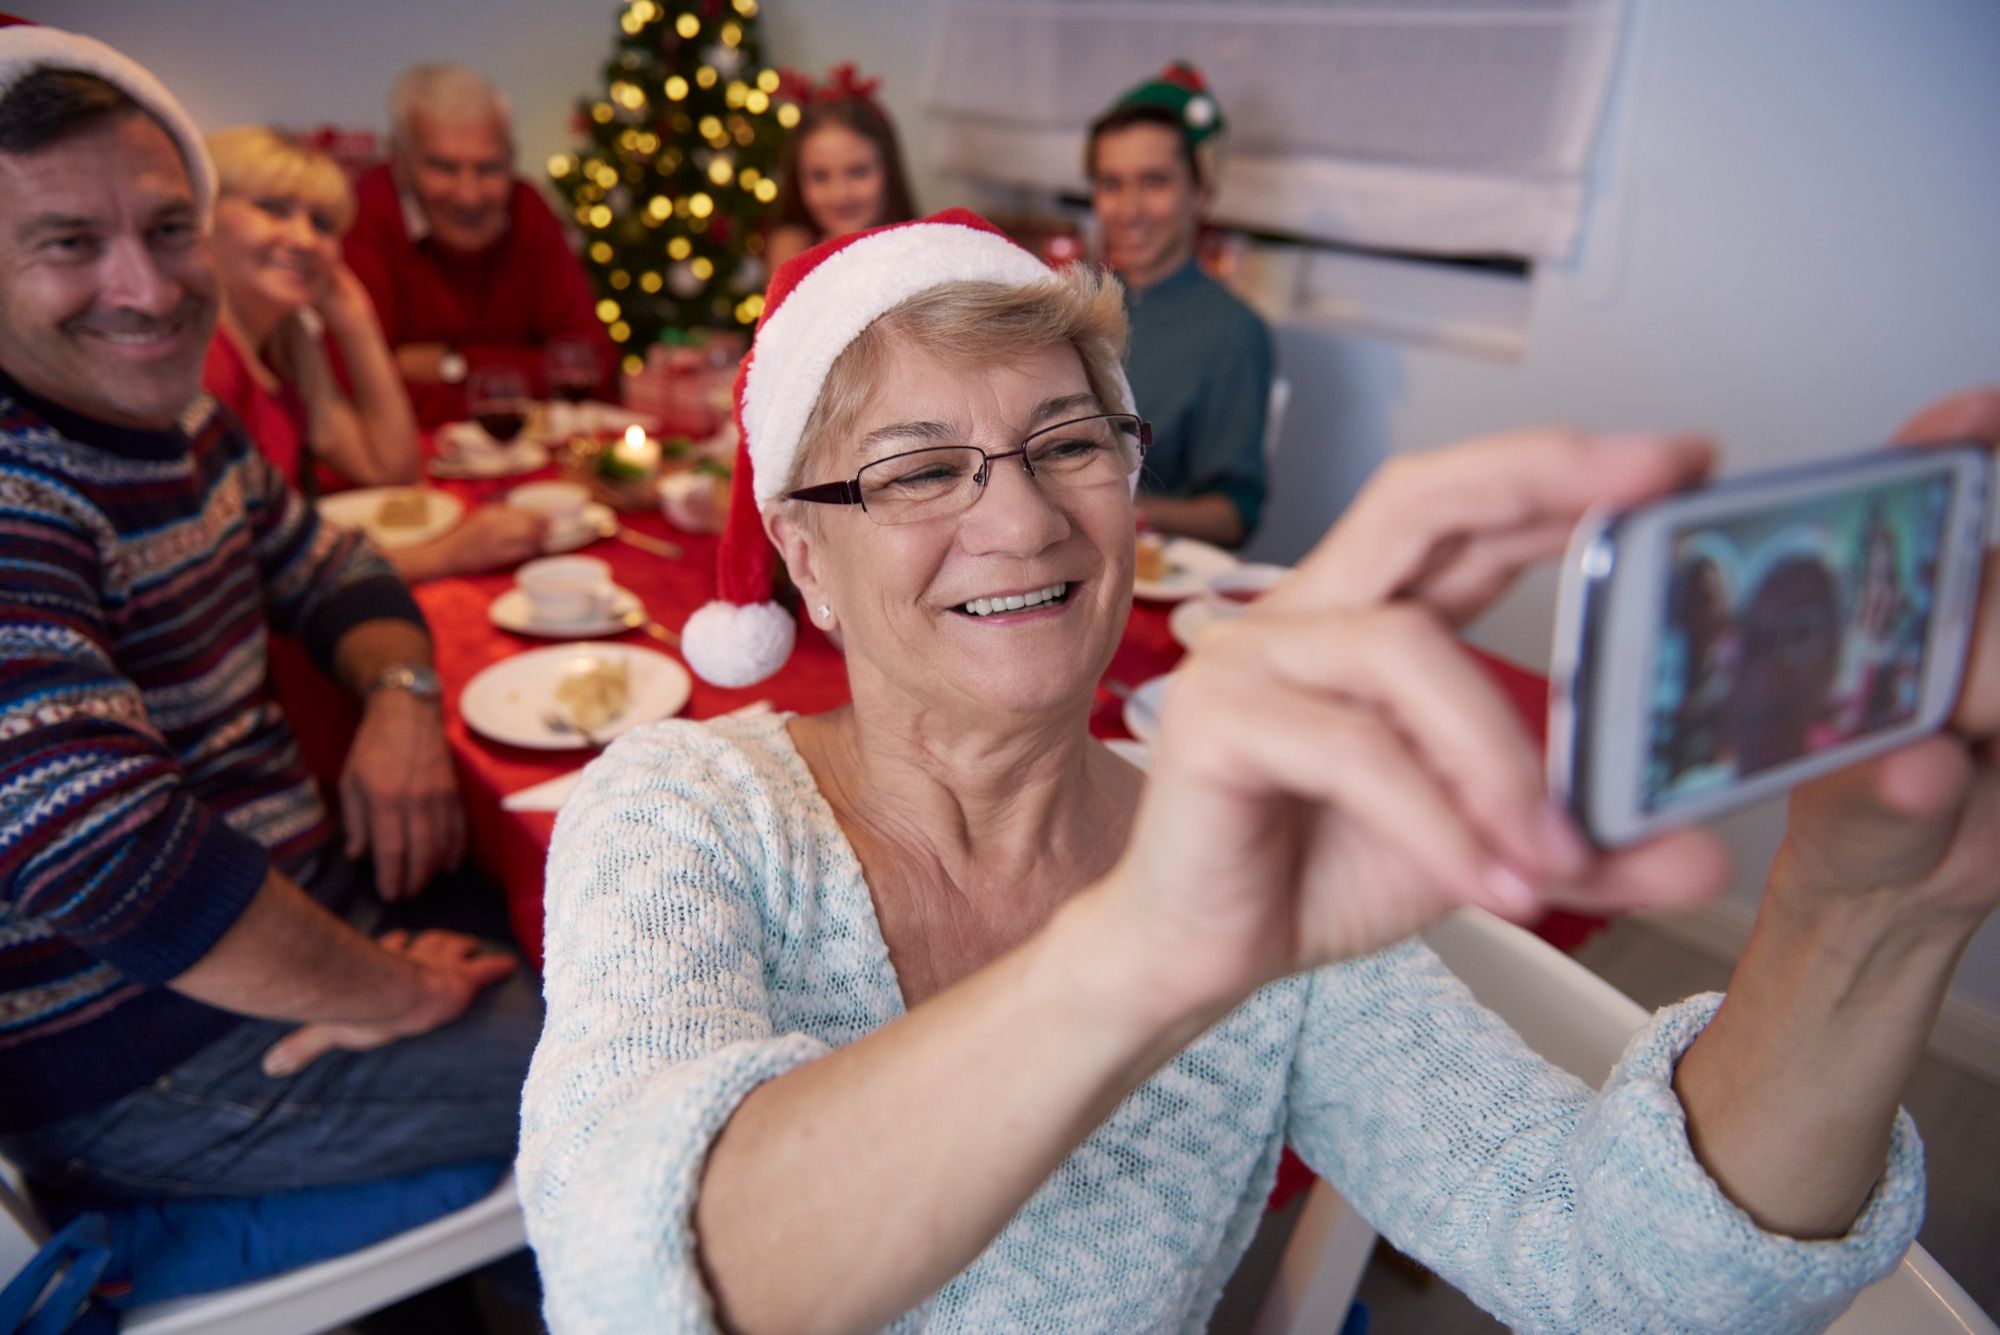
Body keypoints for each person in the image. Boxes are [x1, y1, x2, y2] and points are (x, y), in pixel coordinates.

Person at [520, 210, 1986, 1331]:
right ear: (803, 556)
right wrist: (1148, 945)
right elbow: (623, 1278)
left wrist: (1860, 912)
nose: (1021, 521)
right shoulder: (683, 810)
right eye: (917, 468)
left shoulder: (1248, 853)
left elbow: (1629, 1270)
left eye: (1067, 440)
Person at [0, 24, 540, 1226]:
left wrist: (400, 704)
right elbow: (103, 853)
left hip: (293, 916)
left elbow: (334, 567)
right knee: (663, 1053)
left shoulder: (181, 422)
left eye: (166, 229)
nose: (147, 285)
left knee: (629, 910)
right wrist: (391, 992)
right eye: (69, 245)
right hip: (153, 1057)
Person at [203, 125, 547, 582]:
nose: (305, 239)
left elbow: (392, 470)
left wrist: (356, 320)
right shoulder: (206, 365)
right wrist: (446, 555)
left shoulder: (283, 351)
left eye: (322, 223)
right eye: (273, 208)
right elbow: (243, 581)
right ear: (200, 216)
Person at [343, 63, 615, 427]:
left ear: (511, 158)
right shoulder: (364, 213)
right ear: (399, 161)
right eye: (443, 168)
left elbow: (592, 364)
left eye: (488, 169)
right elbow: (358, 392)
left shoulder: (527, 208)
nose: (469, 196)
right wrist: (523, 383)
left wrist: (455, 365)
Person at [1088, 61, 1272, 549]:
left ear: (1202, 193)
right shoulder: (1072, 303)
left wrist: (1123, 506)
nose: (1129, 210)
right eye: (1111, 183)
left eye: (1154, 182)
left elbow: (1234, 515)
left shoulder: (1232, 332)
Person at [764, 64, 918, 274]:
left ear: (888, 170)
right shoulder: (791, 250)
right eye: (819, 176)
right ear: (797, 179)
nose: (840, 195)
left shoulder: (920, 253)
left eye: (858, 172)